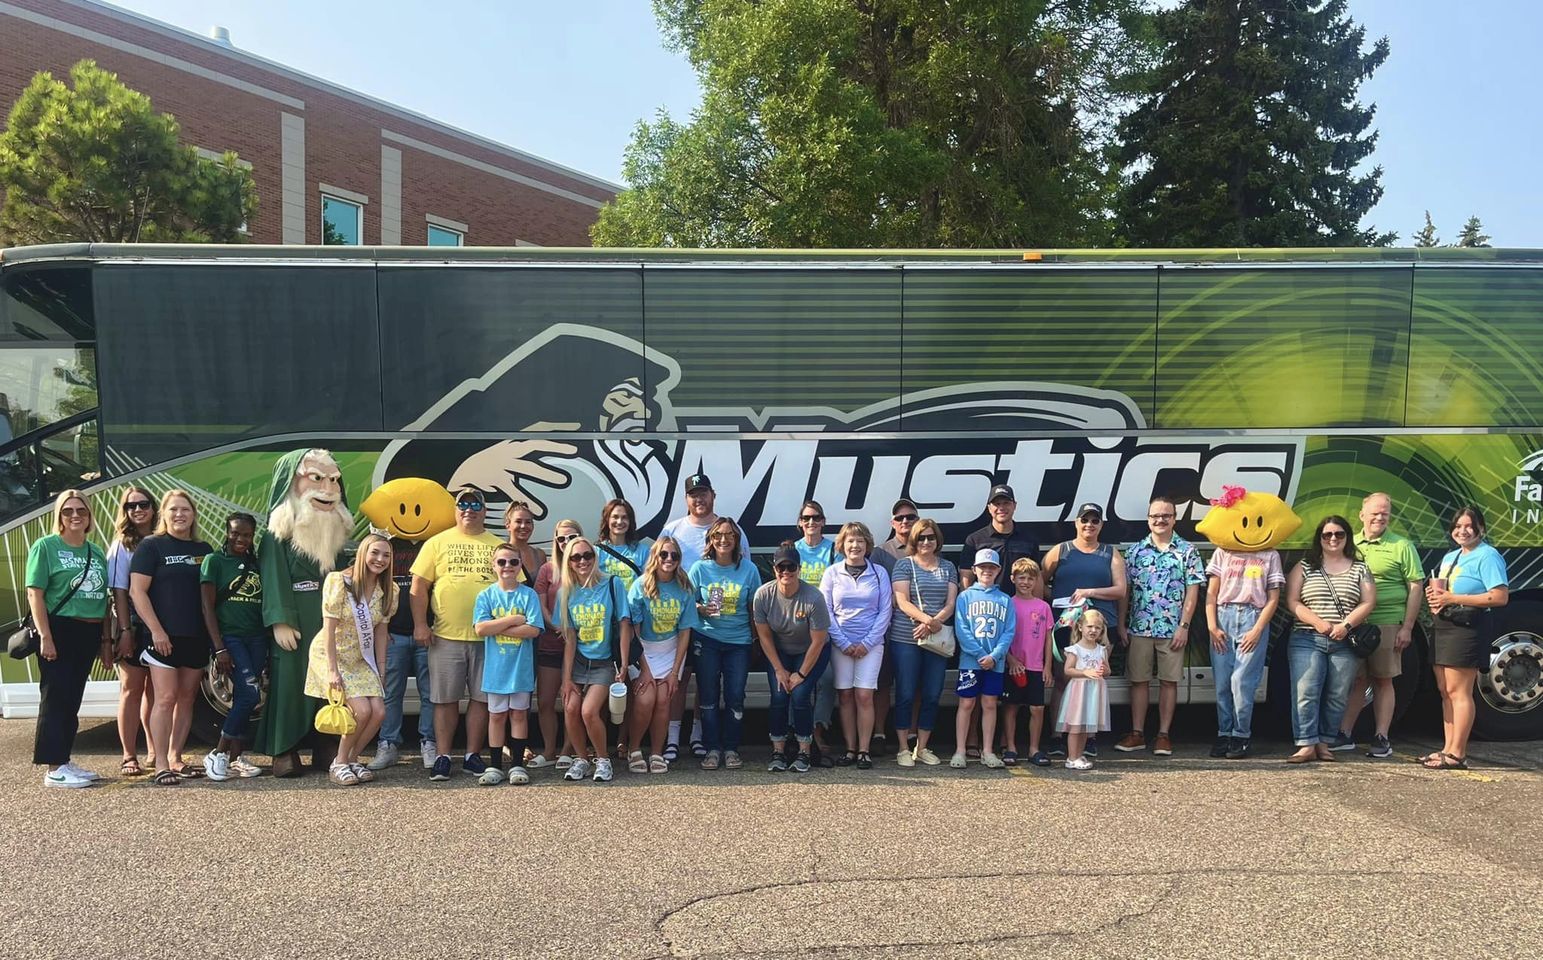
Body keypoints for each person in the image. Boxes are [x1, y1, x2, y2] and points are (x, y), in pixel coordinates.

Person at [256, 449, 353, 778]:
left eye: (333, 480)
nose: (327, 487)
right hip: (295, 616)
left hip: (329, 620)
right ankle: (284, 749)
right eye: (316, 478)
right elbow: (273, 577)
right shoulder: (277, 533)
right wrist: (280, 619)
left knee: (330, 681)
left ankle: (327, 746)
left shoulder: (337, 533)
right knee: (290, 684)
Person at [411, 488, 504, 782]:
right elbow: (418, 587)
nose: (469, 509)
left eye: (475, 504)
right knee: (444, 700)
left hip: (488, 638)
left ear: (485, 511)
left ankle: (472, 756)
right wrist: (420, 625)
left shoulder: (498, 545)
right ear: (455, 510)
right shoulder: (436, 543)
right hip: (445, 637)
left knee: (481, 699)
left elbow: (512, 588)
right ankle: (442, 756)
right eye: (463, 504)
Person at [659, 474, 749, 761]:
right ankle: (672, 738)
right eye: (693, 494)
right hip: (676, 621)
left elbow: (743, 570)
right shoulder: (673, 529)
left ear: (713, 495)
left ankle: (699, 737)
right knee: (679, 680)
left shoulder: (735, 531)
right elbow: (657, 570)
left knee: (704, 685)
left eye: (704, 493)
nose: (699, 499)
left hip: (717, 627)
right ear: (686, 499)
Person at [27, 490, 111, 788]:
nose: (75, 516)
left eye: (81, 511)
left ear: (89, 516)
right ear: (59, 516)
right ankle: (53, 768)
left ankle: (63, 758)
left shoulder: (96, 551)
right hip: (59, 628)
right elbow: (35, 593)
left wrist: (105, 640)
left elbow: (104, 598)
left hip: (88, 632)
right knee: (56, 697)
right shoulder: (46, 546)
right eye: (68, 511)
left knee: (72, 698)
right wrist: (46, 637)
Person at [130, 489, 214, 785]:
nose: (180, 515)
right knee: (164, 698)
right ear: (163, 514)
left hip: (195, 637)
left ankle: (177, 758)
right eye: (174, 510)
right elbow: (137, 592)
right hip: (162, 638)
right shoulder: (151, 546)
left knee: (187, 698)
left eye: (186, 510)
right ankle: (161, 763)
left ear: (193, 515)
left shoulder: (204, 549)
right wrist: (156, 630)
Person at [1335, 493, 1424, 758]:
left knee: (1383, 681)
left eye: (1385, 513)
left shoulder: (1401, 546)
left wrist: (1407, 627)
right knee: (1357, 680)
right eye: (1374, 513)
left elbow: (1416, 586)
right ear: (1362, 515)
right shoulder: (1351, 545)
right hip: (1356, 624)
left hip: (1387, 623)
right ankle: (1344, 735)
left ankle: (1382, 737)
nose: (1380, 517)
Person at [1116, 496, 1204, 757]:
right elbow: (1125, 592)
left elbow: (1192, 592)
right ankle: (1137, 733)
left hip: (1172, 630)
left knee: (1169, 682)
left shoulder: (1187, 551)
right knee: (1138, 681)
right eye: (1155, 516)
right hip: (1139, 627)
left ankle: (1164, 735)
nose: (1160, 520)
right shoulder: (1135, 552)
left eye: (1166, 515)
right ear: (1148, 519)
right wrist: (1121, 624)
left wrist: (1184, 626)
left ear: (1174, 518)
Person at [304, 534, 394, 785]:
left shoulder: (388, 590)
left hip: (360, 658)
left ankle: (353, 758)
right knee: (362, 711)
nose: (380, 559)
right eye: (374, 553)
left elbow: (381, 633)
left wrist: (381, 670)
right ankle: (339, 762)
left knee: (378, 712)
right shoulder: (338, 582)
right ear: (363, 553)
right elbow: (329, 629)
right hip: (331, 654)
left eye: (386, 555)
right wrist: (332, 672)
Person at [1284, 515, 1375, 764]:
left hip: (1344, 641)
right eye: (1327, 534)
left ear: (1347, 537)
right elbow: (1292, 601)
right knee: (1306, 692)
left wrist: (1345, 626)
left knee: (1337, 694)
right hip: (1307, 637)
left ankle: (1324, 743)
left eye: (1339, 534)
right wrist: (1318, 622)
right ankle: (1305, 744)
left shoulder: (1360, 568)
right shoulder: (1304, 566)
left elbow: (1368, 602)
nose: (1333, 539)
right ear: (1320, 538)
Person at [1423, 506, 1508, 771]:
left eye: (1468, 525)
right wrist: (1437, 598)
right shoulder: (1451, 556)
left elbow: (1499, 597)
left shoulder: (1488, 555)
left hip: (1469, 627)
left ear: (1480, 528)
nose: (1463, 531)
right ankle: (1447, 748)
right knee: (1445, 690)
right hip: (1445, 624)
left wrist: (1452, 598)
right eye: (1457, 526)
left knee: (1460, 691)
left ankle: (1458, 754)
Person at [1041, 502, 1125, 757]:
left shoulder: (1111, 554)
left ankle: (1089, 737)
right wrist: (1058, 604)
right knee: (1063, 679)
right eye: (1084, 520)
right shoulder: (1061, 550)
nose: (1089, 525)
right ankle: (1058, 735)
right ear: (1076, 523)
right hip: (1067, 627)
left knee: (1093, 679)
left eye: (1095, 521)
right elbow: (1039, 582)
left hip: (1100, 627)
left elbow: (1121, 590)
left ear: (1101, 525)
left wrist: (1090, 593)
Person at [1203, 527, 1284, 761]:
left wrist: (1258, 629)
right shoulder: (1223, 552)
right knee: (1222, 683)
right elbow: (1211, 593)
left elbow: (1273, 598)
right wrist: (1212, 626)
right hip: (1223, 616)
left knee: (1241, 682)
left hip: (1253, 615)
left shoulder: (1270, 554)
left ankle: (1241, 734)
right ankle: (1223, 733)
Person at [688, 516, 762, 771]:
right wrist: (701, 608)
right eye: (718, 535)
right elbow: (687, 603)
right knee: (708, 697)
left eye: (729, 535)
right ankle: (712, 749)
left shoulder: (749, 570)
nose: (723, 539)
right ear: (710, 539)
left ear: (737, 540)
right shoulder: (699, 568)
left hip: (738, 642)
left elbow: (755, 609)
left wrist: (756, 641)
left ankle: (731, 748)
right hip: (707, 640)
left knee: (735, 696)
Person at [198, 513, 267, 781]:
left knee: (244, 695)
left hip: (257, 637)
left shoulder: (256, 563)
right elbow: (207, 607)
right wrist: (219, 648)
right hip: (231, 638)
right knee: (250, 696)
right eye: (235, 533)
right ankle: (218, 753)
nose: (241, 539)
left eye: (247, 535)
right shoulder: (214, 561)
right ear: (227, 532)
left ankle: (237, 759)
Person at [557, 536, 631, 783]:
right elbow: (570, 639)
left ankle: (603, 759)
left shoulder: (612, 584)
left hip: (604, 662)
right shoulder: (566, 592)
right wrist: (566, 679)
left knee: (589, 711)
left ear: (595, 557)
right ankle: (581, 758)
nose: (582, 561)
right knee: (570, 707)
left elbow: (623, 625)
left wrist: (623, 663)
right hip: (579, 660)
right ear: (568, 562)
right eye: (576, 557)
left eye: (587, 555)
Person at [754, 543, 831, 773]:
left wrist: (801, 674)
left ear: (799, 569)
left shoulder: (813, 597)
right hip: (779, 652)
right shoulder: (763, 595)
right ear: (774, 569)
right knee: (779, 695)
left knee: (800, 694)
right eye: (781, 567)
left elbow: (818, 641)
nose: (785, 572)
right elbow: (765, 637)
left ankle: (804, 751)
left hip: (811, 651)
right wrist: (779, 669)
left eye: (791, 567)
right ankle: (778, 750)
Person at [820, 522, 892, 769]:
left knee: (864, 695)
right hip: (841, 644)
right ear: (842, 545)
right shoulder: (831, 573)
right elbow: (825, 611)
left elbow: (885, 611)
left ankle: (864, 750)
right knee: (846, 695)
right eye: (850, 541)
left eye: (860, 541)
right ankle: (850, 749)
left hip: (871, 646)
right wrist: (843, 642)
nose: (855, 545)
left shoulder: (880, 573)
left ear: (867, 545)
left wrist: (867, 642)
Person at [887, 517, 957, 767]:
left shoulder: (948, 567)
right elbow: (902, 601)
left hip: (936, 639)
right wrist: (928, 620)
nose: (926, 541)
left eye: (931, 537)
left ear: (937, 539)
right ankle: (903, 747)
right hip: (906, 638)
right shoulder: (904, 566)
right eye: (921, 537)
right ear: (914, 541)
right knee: (905, 692)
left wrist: (933, 623)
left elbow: (951, 603)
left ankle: (923, 747)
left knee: (932, 693)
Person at [473, 543, 544, 785]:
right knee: (496, 716)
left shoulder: (529, 595)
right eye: (502, 562)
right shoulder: (486, 595)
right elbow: (481, 628)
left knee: (519, 715)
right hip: (496, 670)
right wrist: (513, 620)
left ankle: (516, 765)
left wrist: (498, 625)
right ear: (493, 566)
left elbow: (534, 629)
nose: (507, 567)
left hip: (520, 669)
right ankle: (494, 766)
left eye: (513, 562)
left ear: (520, 565)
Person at [371, 521, 439, 772]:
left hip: (428, 632)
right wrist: (382, 628)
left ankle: (429, 742)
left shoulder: (433, 544)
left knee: (430, 693)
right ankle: (387, 744)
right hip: (393, 634)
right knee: (391, 693)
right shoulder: (387, 546)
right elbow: (374, 588)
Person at [626, 537, 697, 773]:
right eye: (664, 555)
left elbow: (685, 632)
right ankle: (634, 749)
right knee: (645, 700)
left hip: (671, 651)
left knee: (664, 700)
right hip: (642, 651)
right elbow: (633, 631)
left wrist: (676, 671)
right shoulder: (641, 585)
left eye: (674, 556)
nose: (669, 559)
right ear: (655, 556)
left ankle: (657, 752)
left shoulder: (685, 587)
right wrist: (643, 668)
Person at [106, 486, 157, 777]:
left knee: (155, 690)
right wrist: (125, 630)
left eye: (143, 504)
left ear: (153, 507)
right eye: (130, 506)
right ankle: (128, 755)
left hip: (160, 625)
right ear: (124, 512)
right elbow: (119, 592)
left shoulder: (162, 540)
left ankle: (153, 750)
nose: (137, 510)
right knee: (131, 689)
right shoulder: (121, 546)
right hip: (134, 625)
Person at [951, 549, 1015, 769]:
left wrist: (995, 655)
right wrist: (979, 654)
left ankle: (987, 750)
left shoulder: (1005, 600)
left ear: (998, 571)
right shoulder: (965, 596)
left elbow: (1009, 631)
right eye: (983, 567)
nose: (987, 571)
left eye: (991, 567)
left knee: (989, 703)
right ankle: (960, 750)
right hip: (971, 661)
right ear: (975, 570)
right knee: (967, 703)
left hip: (994, 663)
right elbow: (962, 629)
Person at [533, 520, 583, 768]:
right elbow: (540, 603)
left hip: (579, 648)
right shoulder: (546, 569)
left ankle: (567, 749)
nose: (566, 543)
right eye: (561, 538)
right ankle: (550, 749)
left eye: (571, 537)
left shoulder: (584, 566)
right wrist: (555, 626)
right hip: (551, 642)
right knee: (545, 701)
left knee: (571, 702)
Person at [1002, 558, 1054, 767]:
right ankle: (1011, 747)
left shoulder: (1043, 607)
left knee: (1037, 708)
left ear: (1037, 581)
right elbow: (1001, 636)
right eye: (1021, 578)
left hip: (1036, 666)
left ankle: (1034, 748)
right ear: (1012, 579)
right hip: (1013, 665)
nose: (1025, 582)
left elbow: (1048, 638)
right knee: (1011, 706)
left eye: (1030, 579)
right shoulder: (1007, 604)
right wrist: (1010, 659)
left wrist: (1048, 666)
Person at [1056, 608, 1112, 771]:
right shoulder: (1075, 649)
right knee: (1075, 726)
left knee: (1085, 727)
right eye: (1090, 626)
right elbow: (1068, 670)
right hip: (1079, 691)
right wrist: (1084, 672)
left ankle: (1079, 754)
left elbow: (1107, 670)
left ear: (1102, 631)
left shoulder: (1101, 650)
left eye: (1097, 628)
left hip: (1094, 691)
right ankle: (1071, 757)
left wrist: (1103, 670)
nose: (1093, 630)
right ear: (1080, 627)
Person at [959, 484, 1039, 590]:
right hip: (986, 604)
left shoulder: (1029, 540)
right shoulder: (975, 540)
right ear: (989, 508)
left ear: (1014, 505)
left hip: (1019, 604)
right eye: (997, 504)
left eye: (1006, 503)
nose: (1001, 508)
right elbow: (966, 579)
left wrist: (1036, 605)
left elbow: (1037, 577)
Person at [595, 498, 652, 593]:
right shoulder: (596, 551)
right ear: (607, 519)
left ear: (630, 521)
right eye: (615, 517)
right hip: (607, 606)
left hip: (633, 607)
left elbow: (648, 584)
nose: (619, 521)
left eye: (624, 517)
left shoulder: (643, 551)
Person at [872, 498, 916, 574]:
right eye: (899, 518)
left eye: (910, 517)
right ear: (892, 524)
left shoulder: (928, 549)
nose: (905, 521)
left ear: (918, 520)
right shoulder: (879, 553)